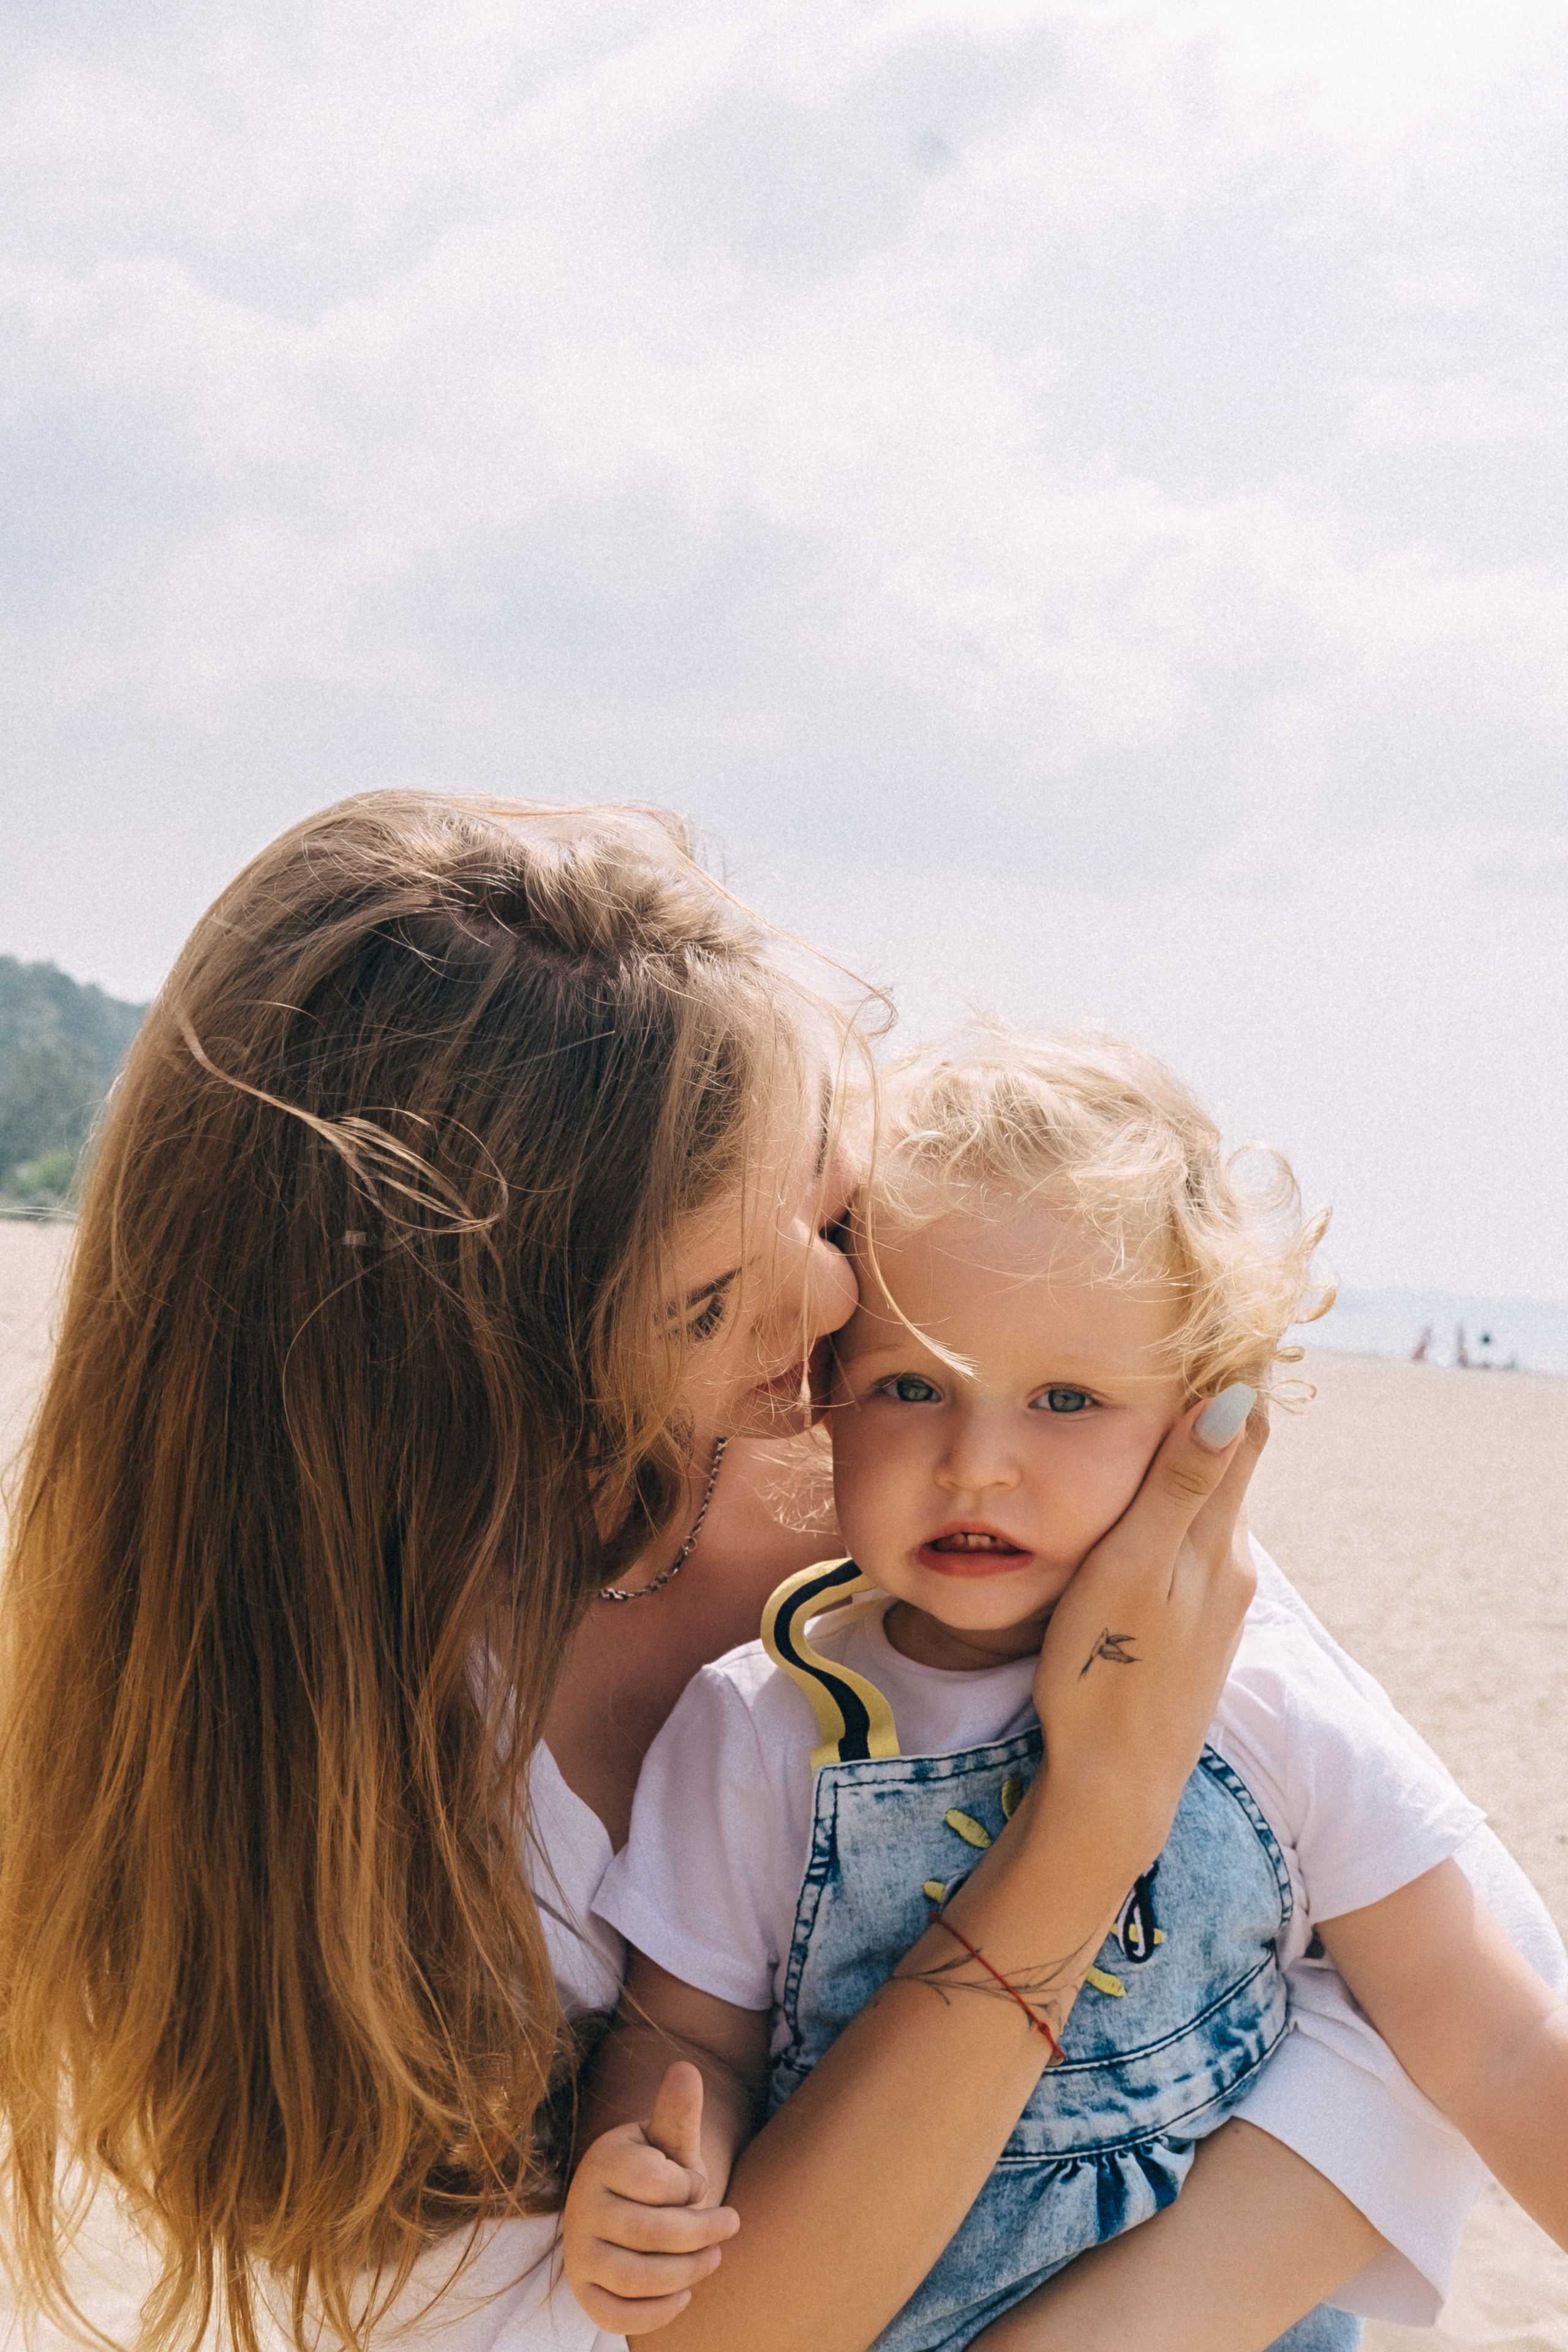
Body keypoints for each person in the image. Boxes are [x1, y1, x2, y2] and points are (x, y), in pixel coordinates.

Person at [0, 795, 1509, 2352]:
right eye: (713, 1294)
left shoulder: (893, 1463)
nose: (844, 1296)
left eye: (825, 1192)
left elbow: (1443, 1979)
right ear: (473, 1354)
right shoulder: (313, 1805)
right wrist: (1088, 1831)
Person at [568, 1027, 1568, 2351]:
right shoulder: (756, 1727)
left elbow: (1486, 2042)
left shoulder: (1259, 1696)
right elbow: (686, 2029)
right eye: (910, 1386)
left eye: (1064, 1399)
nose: (977, 1462)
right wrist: (647, 2170)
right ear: (823, 1404)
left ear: (1192, 1419)